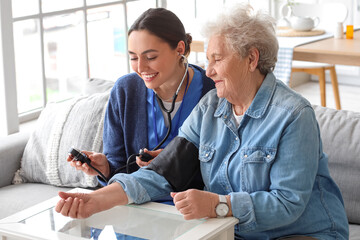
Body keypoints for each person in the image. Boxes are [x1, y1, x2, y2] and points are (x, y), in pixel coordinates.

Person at [56, 4, 349, 239]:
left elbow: (287, 204)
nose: (208, 71)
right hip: (234, 230)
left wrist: (218, 204)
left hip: (302, 232)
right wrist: (98, 200)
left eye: (217, 59)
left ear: (251, 59)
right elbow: (161, 173)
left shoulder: (294, 116)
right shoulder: (210, 107)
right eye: (206, 59)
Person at [68, 8, 215, 194]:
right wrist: (105, 168)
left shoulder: (213, 91)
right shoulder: (125, 91)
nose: (141, 67)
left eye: (151, 57)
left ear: (180, 49)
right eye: (133, 57)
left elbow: (224, 169)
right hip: (136, 203)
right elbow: (119, 168)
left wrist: (174, 162)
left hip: (192, 205)